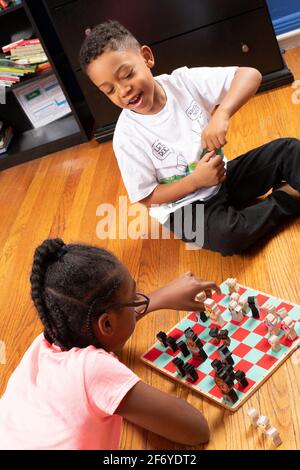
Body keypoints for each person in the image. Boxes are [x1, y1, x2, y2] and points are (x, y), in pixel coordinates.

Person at [79, 20, 300, 256]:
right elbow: (147, 197)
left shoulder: (182, 82)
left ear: (146, 57)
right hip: (181, 210)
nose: (123, 90)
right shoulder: (126, 137)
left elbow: (250, 75)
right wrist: (195, 181)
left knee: (288, 149)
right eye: (109, 90)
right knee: (230, 236)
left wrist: (222, 114)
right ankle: (289, 196)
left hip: (221, 177)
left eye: (127, 75)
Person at [0, 238, 220, 450]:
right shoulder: (91, 369)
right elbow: (196, 429)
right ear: (106, 324)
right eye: (134, 298)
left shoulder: (47, 342)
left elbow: (108, 332)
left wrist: (158, 298)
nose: (138, 302)